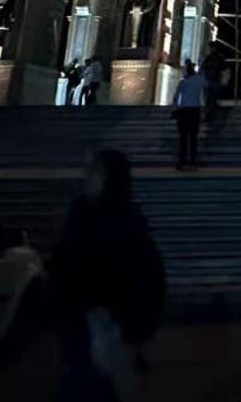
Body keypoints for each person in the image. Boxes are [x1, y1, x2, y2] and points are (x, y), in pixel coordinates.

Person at [50, 150, 165, 402]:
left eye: (93, 171)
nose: (86, 177)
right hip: (85, 333)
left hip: (109, 332)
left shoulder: (122, 223)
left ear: (108, 177)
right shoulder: (84, 215)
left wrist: (133, 334)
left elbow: (146, 283)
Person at [172, 62, 206, 170]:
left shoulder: (183, 82)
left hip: (184, 109)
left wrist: (175, 108)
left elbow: (176, 97)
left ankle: (182, 160)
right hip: (195, 109)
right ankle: (192, 160)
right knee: (193, 137)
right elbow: (204, 93)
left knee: (183, 137)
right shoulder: (199, 80)